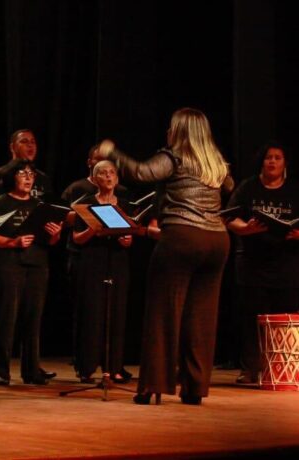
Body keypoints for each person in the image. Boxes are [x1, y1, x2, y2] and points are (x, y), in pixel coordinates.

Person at [94, 107, 233, 405]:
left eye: (171, 127)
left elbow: (142, 172)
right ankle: (195, 388)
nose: (167, 132)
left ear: (180, 131)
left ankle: (152, 386)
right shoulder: (217, 163)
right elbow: (229, 187)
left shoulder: (173, 157)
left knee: (163, 312)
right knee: (201, 318)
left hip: (183, 237)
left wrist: (112, 152)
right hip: (217, 241)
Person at [225, 142, 299, 384]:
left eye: (277, 158)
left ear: (285, 163)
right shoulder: (248, 187)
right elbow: (229, 218)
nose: (272, 162)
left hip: (287, 264)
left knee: (283, 318)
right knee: (251, 319)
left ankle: (280, 368)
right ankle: (250, 369)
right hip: (252, 264)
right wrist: (245, 229)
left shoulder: (298, 190)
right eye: (268, 158)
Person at [0, 160, 62, 386]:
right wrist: (12, 242)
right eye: (23, 173)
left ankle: (31, 370)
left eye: (31, 174)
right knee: (6, 316)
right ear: (12, 177)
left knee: (33, 318)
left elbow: (51, 241)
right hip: (9, 263)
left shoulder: (40, 205)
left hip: (37, 264)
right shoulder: (1, 202)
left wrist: (55, 233)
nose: (28, 178)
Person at [70, 160, 141, 383]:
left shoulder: (127, 205)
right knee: (92, 314)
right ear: (95, 178)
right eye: (103, 173)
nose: (108, 177)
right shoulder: (87, 204)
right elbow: (76, 238)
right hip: (92, 263)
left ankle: (114, 367)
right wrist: (93, 229)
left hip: (118, 263)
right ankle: (87, 366)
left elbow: (131, 238)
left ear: (117, 178)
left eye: (112, 173)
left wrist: (128, 238)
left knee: (117, 314)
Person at [0, 129, 54, 205]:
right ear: (12, 147)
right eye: (24, 141)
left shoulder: (43, 178)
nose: (30, 145)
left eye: (33, 142)